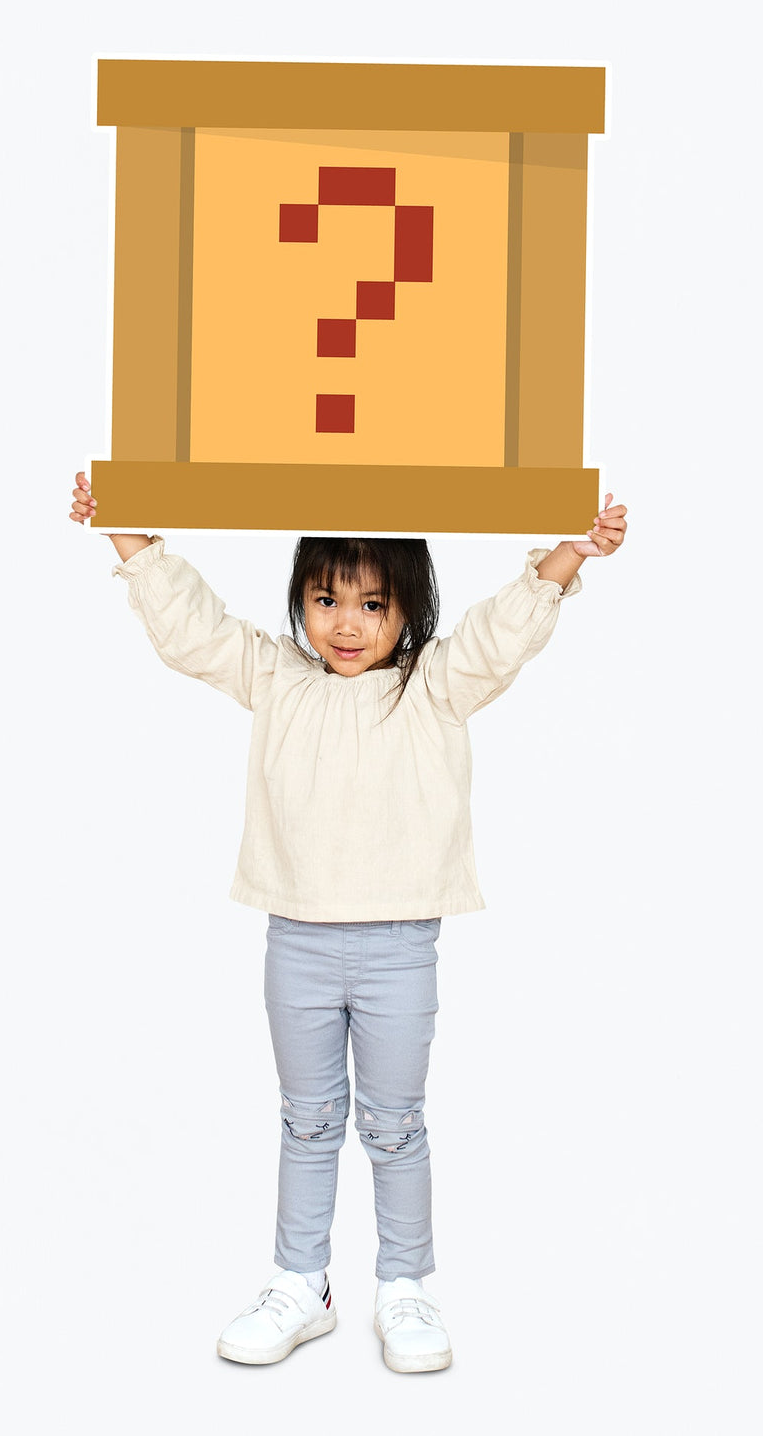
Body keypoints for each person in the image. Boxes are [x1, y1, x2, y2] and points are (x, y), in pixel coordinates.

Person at [70, 474, 627, 1372]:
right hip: (297, 940)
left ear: (410, 606)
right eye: (326, 598)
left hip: (400, 948)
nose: (347, 624)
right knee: (307, 1120)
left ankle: (404, 1284)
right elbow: (192, 627)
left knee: (395, 1123)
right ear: (300, 598)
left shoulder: (435, 683)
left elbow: (505, 630)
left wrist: (573, 550)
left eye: (373, 603)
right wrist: (123, 526)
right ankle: (302, 1282)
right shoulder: (276, 677)